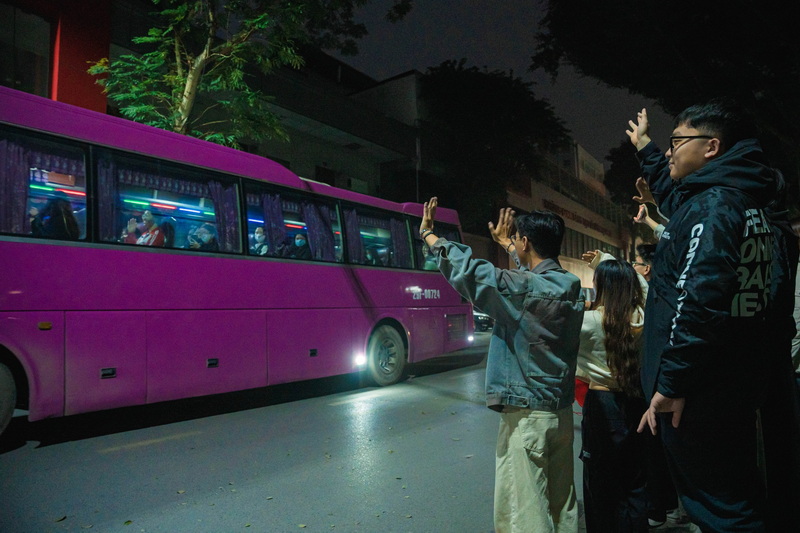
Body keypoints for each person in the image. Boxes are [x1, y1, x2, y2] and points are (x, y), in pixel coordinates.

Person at [628, 100, 779, 531]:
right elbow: (677, 199)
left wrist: (672, 383)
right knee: (731, 499)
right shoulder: (732, 199)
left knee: (721, 509)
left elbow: (698, 301)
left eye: (677, 141)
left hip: (698, 396)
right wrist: (644, 148)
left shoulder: (713, 207)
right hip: (724, 385)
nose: (669, 151)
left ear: (711, 147)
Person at [420, 197, 584, 533]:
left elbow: (470, 272)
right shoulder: (571, 286)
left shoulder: (522, 290)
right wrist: (510, 246)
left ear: (526, 242)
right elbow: (534, 276)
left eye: (519, 241)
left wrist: (429, 235)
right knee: (561, 506)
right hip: (560, 414)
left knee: (526, 514)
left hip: (527, 416)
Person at [577, 254, 648, 532]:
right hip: (636, 402)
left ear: (602, 286)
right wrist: (606, 260)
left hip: (602, 407)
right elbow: (643, 285)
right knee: (635, 481)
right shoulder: (642, 316)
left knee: (601, 486)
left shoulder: (589, 321)